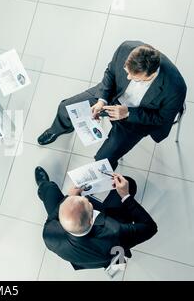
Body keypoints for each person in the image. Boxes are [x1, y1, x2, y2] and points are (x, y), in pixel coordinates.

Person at [37, 41, 187, 169]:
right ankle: (59, 129)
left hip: (137, 117)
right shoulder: (126, 48)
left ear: (151, 75)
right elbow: (110, 73)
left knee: (104, 158)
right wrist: (102, 100)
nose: (128, 77)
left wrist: (128, 113)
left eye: (135, 78)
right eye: (127, 72)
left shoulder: (175, 88)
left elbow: (161, 119)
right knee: (65, 108)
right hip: (112, 96)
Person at [35, 166, 157, 270]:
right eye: (88, 202)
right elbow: (150, 227)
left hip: (80, 258)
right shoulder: (115, 231)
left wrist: (69, 197)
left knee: (49, 189)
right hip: (107, 251)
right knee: (130, 183)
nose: (87, 199)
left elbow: (52, 217)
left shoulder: (49, 235)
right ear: (92, 219)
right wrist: (125, 196)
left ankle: (42, 186)